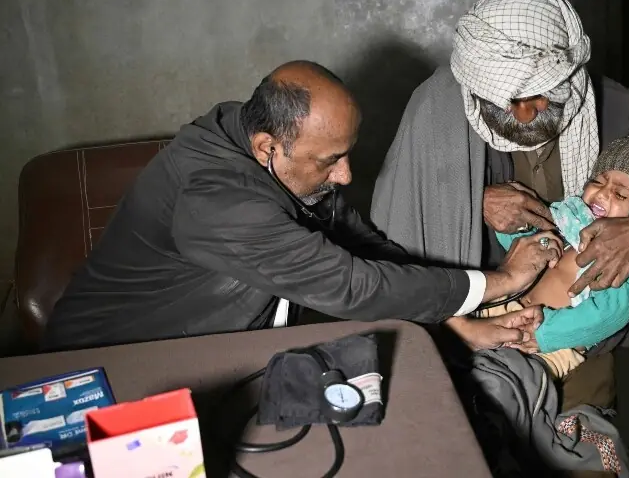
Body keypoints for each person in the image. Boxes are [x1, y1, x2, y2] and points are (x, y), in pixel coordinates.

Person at [42, 61, 562, 352]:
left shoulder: (254, 134)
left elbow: (362, 246)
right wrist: (504, 282)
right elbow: (351, 284)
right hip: (112, 363)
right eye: (331, 161)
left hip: (215, 339)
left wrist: (452, 319)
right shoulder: (219, 202)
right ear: (269, 148)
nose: (345, 176)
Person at [371, 0, 629, 414]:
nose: (525, 113)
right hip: (465, 311)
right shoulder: (439, 109)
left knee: (577, 452)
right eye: (507, 97)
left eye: (539, 94)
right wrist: (470, 199)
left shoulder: (625, 114)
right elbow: (397, 228)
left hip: (575, 331)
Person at [478, 126, 629, 379]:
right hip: (501, 308)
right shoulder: (566, 219)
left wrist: (544, 335)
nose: (603, 192)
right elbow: (517, 244)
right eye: (597, 181)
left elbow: (600, 319)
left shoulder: (625, 272)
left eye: (620, 194)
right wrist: (515, 224)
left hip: (547, 347)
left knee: (508, 384)